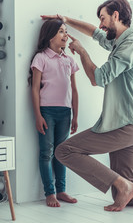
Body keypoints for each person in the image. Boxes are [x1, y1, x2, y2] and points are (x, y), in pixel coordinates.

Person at [41, 0, 133, 211]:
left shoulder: (130, 44)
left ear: (116, 15)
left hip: (126, 125)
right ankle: (127, 188)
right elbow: (95, 33)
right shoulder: (120, 40)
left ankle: (123, 185)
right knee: (129, 194)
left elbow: (98, 78)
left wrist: (82, 52)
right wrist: (65, 19)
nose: (101, 24)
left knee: (64, 151)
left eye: (103, 18)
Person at [28, 19, 79, 207]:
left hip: (65, 113)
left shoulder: (69, 60)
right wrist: (37, 115)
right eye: (61, 31)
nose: (65, 35)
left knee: (61, 153)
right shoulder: (40, 58)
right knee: (46, 153)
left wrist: (76, 115)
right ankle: (50, 193)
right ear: (50, 36)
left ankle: (62, 190)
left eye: (66, 31)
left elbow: (74, 89)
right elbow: (34, 89)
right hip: (47, 112)